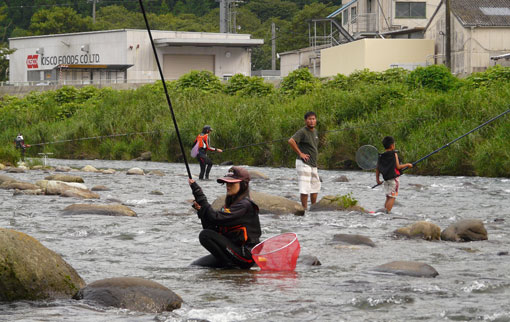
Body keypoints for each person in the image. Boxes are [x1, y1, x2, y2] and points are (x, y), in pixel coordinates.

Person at [188, 166, 261, 269]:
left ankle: (230, 266)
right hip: (232, 252)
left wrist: (199, 194)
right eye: (227, 183)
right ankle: (228, 265)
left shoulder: (245, 205)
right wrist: (201, 212)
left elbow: (214, 218)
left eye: (232, 183)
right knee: (195, 266)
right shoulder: (230, 207)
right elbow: (211, 229)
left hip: (246, 256)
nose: (228, 186)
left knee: (204, 235)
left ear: (243, 185)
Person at [288, 111, 321, 210]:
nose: (312, 121)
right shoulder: (302, 131)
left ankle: (313, 208)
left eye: (313, 119)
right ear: (306, 120)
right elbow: (291, 141)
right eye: (310, 119)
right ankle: (304, 209)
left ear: (316, 120)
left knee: (315, 186)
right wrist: (300, 153)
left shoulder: (315, 132)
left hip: (313, 164)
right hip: (303, 163)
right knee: (305, 188)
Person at [375, 136, 413, 213]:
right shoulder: (394, 154)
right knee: (392, 197)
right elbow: (398, 166)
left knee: (388, 197)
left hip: (386, 180)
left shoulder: (380, 156)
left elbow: (377, 169)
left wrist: (378, 180)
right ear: (392, 145)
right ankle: (387, 212)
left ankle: (382, 212)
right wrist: (407, 165)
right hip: (393, 180)